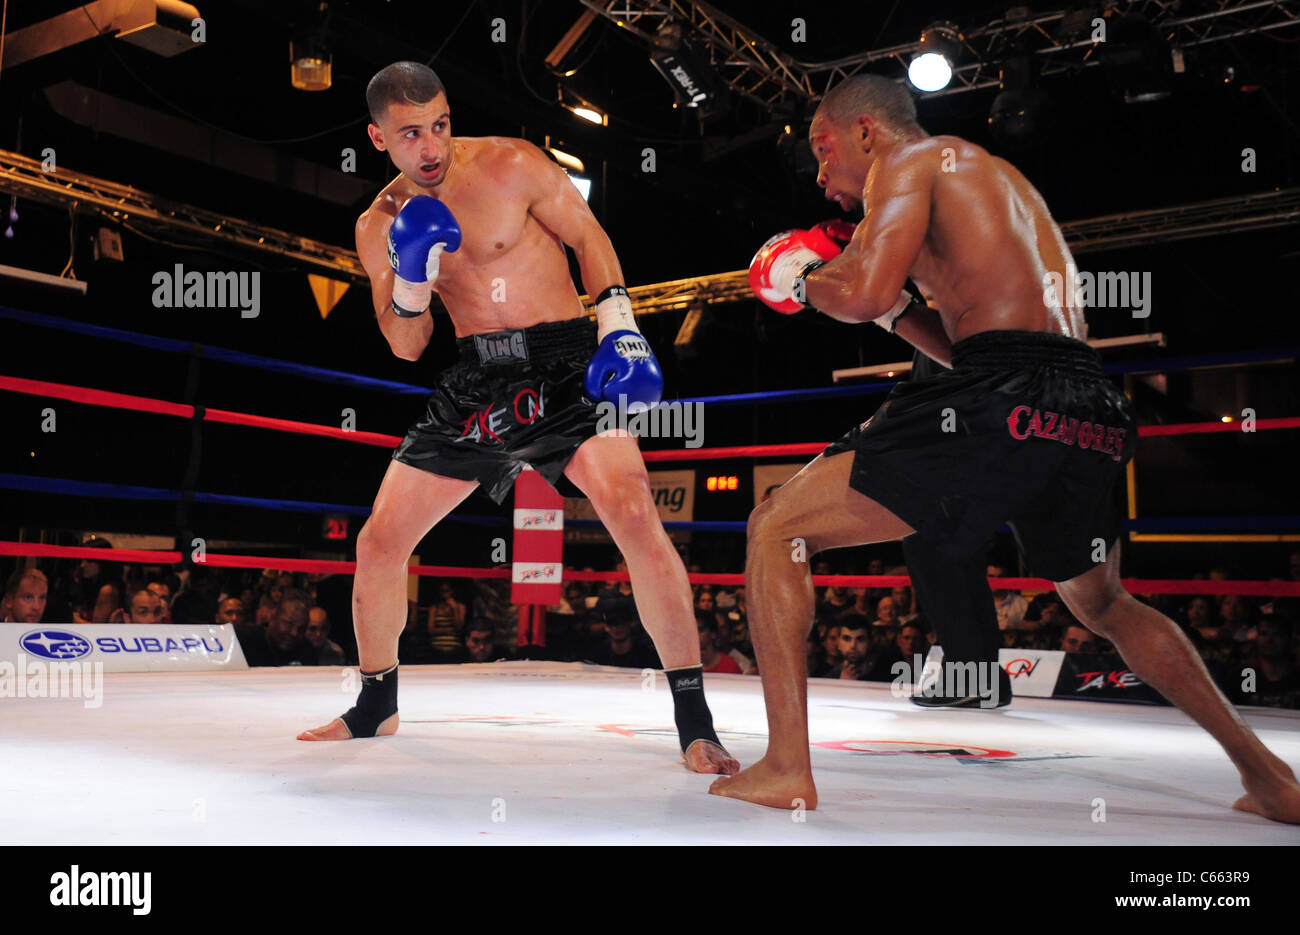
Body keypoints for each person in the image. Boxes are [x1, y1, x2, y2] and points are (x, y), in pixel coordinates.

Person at [714, 73, 1300, 821]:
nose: (821, 173)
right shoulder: (993, 179)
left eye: (823, 150)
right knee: (1103, 602)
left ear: (867, 130)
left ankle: (787, 766)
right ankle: (1271, 778)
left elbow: (858, 294)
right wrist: (882, 302)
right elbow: (953, 338)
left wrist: (800, 280)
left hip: (1002, 390)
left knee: (776, 524)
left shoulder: (907, 162)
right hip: (1084, 403)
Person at [298, 62, 736, 775]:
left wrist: (616, 324)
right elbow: (407, 345)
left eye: (440, 123)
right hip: (477, 379)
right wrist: (412, 274)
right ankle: (376, 701)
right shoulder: (377, 222)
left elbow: (590, 236)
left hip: (564, 366)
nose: (433, 146)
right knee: (379, 543)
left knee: (631, 511)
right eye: (411, 134)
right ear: (378, 138)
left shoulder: (511, 162)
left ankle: (695, 719)